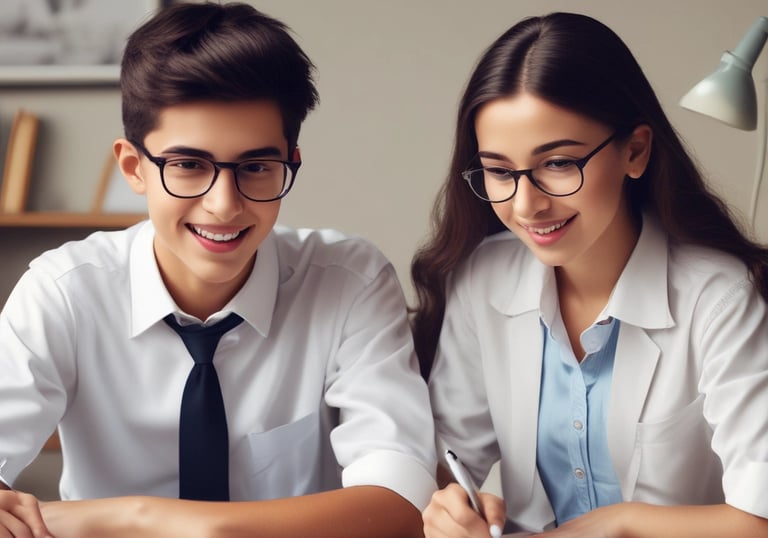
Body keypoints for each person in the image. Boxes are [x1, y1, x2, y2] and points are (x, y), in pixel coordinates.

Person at [0, 3, 436, 537]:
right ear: (134, 168)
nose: (224, 205)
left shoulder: (348, 280)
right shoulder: (64, 291)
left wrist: (140, 517)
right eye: (188, 166)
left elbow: (399, 502)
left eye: (255, 167)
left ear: (290, 163)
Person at [414, 11, 768, 538]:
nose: (527, 205)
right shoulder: (483, 278)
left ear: (635, 150)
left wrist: (622, 523)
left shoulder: (719, 299)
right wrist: (451, 504)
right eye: (500, 171)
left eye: (558, 163)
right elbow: (446, 455)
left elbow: (757, 514)